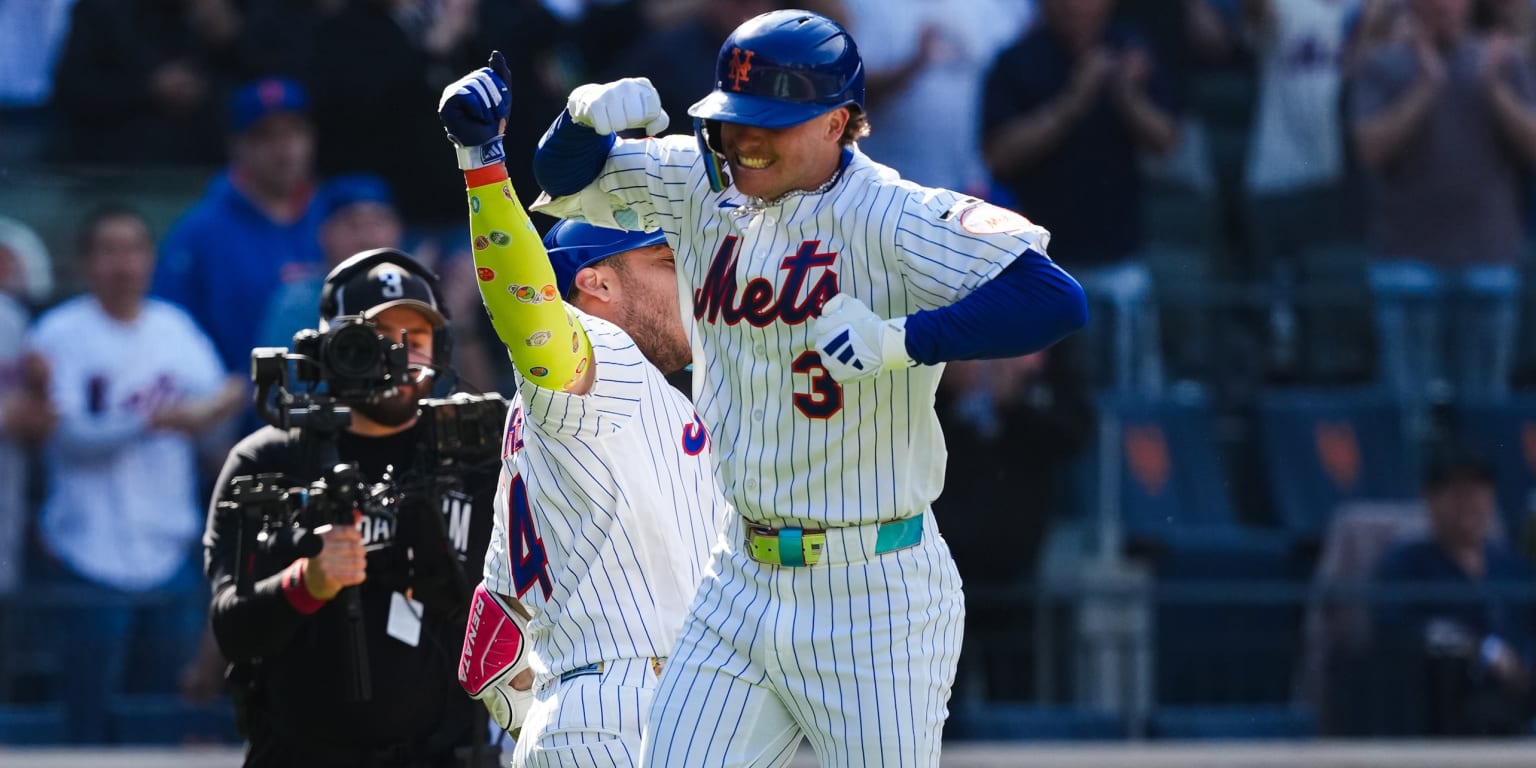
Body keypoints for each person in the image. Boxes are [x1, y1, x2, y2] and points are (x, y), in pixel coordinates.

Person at [522, 9, 1088, 764]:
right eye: (733, 120)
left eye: (771, 124)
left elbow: (1054, 298)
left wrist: (903, 340)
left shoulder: (891, 213)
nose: (745, 141)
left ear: (839, 122)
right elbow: (561, 178)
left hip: (872, 590)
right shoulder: (697, 181)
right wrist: (579, 123)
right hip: (739, 574)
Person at [437, 60, 729, 765]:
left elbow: (491, 651)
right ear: (595, 284)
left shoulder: (596, 408)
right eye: (665, 263)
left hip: (619, 710)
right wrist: (484, 166)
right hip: (624, 712)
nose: (690, 281)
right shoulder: (600, 362)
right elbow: (527, 306)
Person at [204, 248, 499, 766]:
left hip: (448, 753)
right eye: (376, 339)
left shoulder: (480, 453)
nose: (397, 358)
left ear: (442, 350)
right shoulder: (268, 460)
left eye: (414, 340)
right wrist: (308, 582)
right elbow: (234, 630)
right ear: (332, 348)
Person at [29, 205, 246, 743]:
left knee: (162, 713)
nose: (123, 264)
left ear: (150, 259)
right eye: (108, 251)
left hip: (167, 548)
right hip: (85, 551)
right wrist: (151, 420)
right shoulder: (59, 333)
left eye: (133, 250)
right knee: (86, 718)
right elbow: (68, 435)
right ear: (85, 262)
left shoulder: (175, 328)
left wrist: (221, 408)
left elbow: (214, 423)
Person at [1348, 0, 1536, 404]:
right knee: (1406, 409)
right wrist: (1425, 87)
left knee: (1487, 407)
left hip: (1487, 257)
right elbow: (1369, 152)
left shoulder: (1502, 61)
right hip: (1405, 259)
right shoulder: (1382, 65)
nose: (1443, 7)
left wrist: (1495, 90)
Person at [154, 76, 325, 378]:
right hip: (232, 401)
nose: (283, 148)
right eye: (265, 136)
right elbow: (167, 327)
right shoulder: (200, 232)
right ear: (237, 146)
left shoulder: (335, 218)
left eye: (294, 132)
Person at [1373, 444, 1536, 735]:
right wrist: (1485, 651)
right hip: (1455, 704)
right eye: (1456, 492)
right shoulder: (1408, 564)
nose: (1469, 503)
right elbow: (1399, 627)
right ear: (1429, 498)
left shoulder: (1511, 565)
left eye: (1478, 491)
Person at [256, 173, 404, 350]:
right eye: (353, 224)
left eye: (377, 223)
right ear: (324, 234)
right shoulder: (299, 302)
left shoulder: (415, 295)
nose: (367, 239)